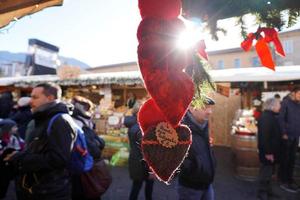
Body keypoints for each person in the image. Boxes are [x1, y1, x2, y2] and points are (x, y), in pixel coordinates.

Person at [4, 83, 77, 200]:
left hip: (50, 191)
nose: (30, 101)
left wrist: (21, 159)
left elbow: (58, 159)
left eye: (35, 97)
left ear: (50, 98)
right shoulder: (43, 118)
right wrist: (18, 155)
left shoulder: (59, 121)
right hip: (39, 188)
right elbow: (38, 149)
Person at [177, 96, 216, 200]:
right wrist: (195, 168)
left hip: (207, 184)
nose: (209, 111)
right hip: (190, 187)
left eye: (210, 107)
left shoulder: (204, 124)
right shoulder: (181, 129)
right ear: (191, 108)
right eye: (204, 107)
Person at [71, 96, 106, 200]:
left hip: (80, 164)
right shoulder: (79, 124)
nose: (89, 112)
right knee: (87, 189)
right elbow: (95, 149)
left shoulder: (83, 122)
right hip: (82, 165)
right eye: (88, 109)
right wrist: (97, 144)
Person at [124, 102, 154, 200]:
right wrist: (151, 169)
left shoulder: (133, 124)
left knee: (136, 187)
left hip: (135, 160)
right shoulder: (141, 128)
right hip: (144, 163)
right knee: (147, 188)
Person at [257, 98, 281, 200]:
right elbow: (264, 137)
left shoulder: (270, 116)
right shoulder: (266, 117)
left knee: (269, 173)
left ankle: (269, 192)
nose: (280, 106)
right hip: (268, 152)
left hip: (271, 152)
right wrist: (268, 153)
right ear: (272, 106)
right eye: (278, 104)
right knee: (265, 174)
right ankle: (262, 193)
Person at [278, 86, 300, 193]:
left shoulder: (298, 104)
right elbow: (280, 119)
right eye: (299, 94)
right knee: (285, 159)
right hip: (287, 136)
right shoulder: (286, 103)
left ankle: (290, 179)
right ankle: (283, 180)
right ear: (294, 93)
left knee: (292, 159)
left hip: (296, 135)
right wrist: (283, 133)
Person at [0, 119, 24, 199]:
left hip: (10, 165)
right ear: (8, 128)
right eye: (14, 127)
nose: (16, 128)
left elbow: (18, 147)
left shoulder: (15, 138)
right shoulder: (2, 140)